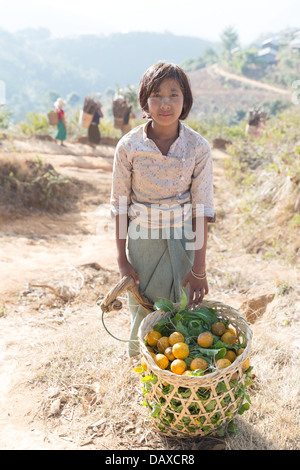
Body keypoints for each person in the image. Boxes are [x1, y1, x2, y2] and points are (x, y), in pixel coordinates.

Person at [110, 62, 215, 357]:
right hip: (142, 239)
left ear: (186, 101)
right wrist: (121, 260)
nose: (165, 103)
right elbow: (119, 206)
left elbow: (201, 209)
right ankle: (143, 366)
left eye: (174, 94)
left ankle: (177, 372)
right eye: (156, 95)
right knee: (144, 307)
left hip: (183, 240)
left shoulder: (197, 147)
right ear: (145, 101)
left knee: (181, 311)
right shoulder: (129, 146)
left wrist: (199, 268)